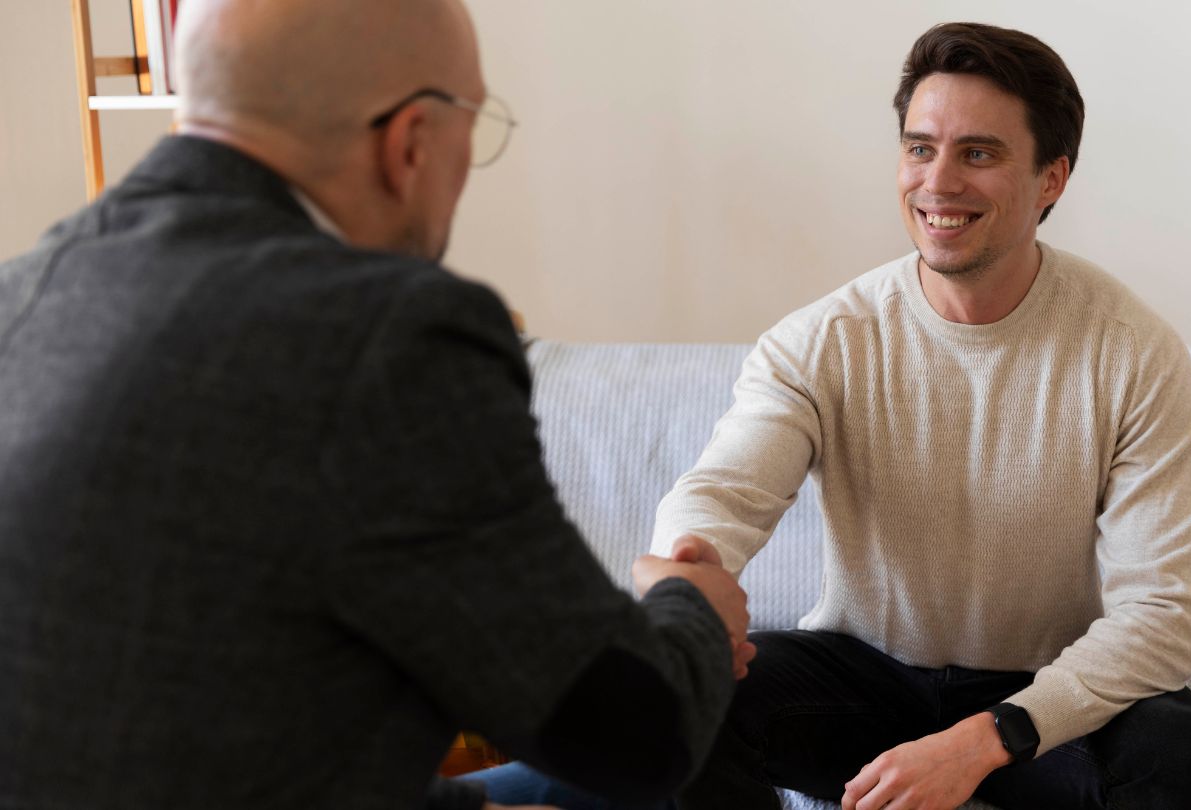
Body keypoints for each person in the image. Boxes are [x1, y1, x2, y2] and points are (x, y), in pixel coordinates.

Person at [0, 1, 752, 808]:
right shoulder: (389, 336)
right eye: (476, 123)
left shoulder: (27, 289)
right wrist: (694, 610)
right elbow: (634, 736)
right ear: (412, 142)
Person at [651, 22, 1191, 810]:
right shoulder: (823, 340)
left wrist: (983, 740)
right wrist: (686, 570)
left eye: (978, 153)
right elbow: (723, 491)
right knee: (669, 709)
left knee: (1188, 758)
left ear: (1051, 180)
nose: (937, 182)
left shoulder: (1132, 351)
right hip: (862, 680)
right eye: (920, 148)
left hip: (1042, 697)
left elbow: (1165, 616)